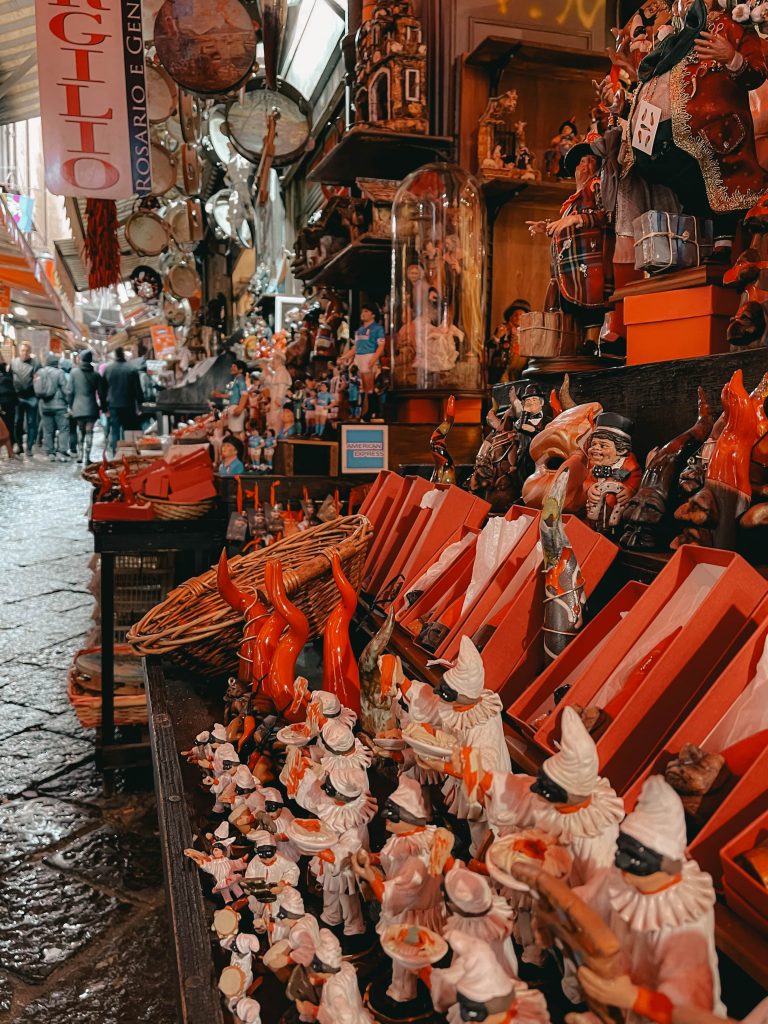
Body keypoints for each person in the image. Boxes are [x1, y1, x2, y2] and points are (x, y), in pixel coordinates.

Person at [527, 145, 612, 330]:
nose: (586, 166)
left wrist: (577, 218)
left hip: (588, 276)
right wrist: (547, 227)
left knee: (591, 322)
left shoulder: (596, 185)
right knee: (573, 323)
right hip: (572, 276)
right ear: (574, 171)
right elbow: (567, 227)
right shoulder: (573, 201)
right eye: (582, 162)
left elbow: (606, 214)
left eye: (591, 161)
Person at [34, 353, 73, 462]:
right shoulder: (59, 372)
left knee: (48, 430)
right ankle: (61, 452)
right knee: (63, 429)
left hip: (45, 406)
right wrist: (69, 403)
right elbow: (65, 390)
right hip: (59, 406)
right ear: (56, 363)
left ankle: (50, 452)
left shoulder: (39, 372)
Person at [104, 346, 142, 457]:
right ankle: (126, 453)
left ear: (115, 355)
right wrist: (140, 404)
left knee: (115, 430)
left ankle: (116, 453)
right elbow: (137, 389)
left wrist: (104, 406)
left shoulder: (108, 369)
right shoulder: (131, 368)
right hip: (128, 404)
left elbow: (103, 389)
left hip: (113, 404)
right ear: (124, 355)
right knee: (127, 429)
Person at [486, 299, 530, 385]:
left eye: (521, 315)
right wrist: (497, 337)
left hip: (522, 369)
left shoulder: (528, 332)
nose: (518, 318)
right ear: (510, 317)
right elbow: (490, 346)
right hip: (504, 368)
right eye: (515, 315)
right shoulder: (503, 328)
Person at [70, 351, 103, 465]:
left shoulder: (74, 373)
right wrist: (103, 407)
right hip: (91, 407)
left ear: (81, 359)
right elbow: (101, 393)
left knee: (80, 430)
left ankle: (80, 455)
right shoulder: (96, 375)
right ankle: (87, 457)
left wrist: (70, 406)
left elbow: (70, 392)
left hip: (78, 407)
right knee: (89, 431)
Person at [11, 341, 40, 456]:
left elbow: (38, 379)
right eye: (22, 350)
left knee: (31, 423)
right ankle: (19, 445)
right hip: (18, 398)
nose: (24, 353)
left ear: (30, 352)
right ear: (19, 351)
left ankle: (29, 447)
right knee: (17, 422)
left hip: (31, 397)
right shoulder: (13, 363)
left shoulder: (35, 364)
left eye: (27, 351)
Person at [0, 361, 17, 451]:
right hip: (11, 406)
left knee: (3, 428)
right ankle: (11, 450)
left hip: (2, 406)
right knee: (10, 426)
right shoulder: (8, 377)